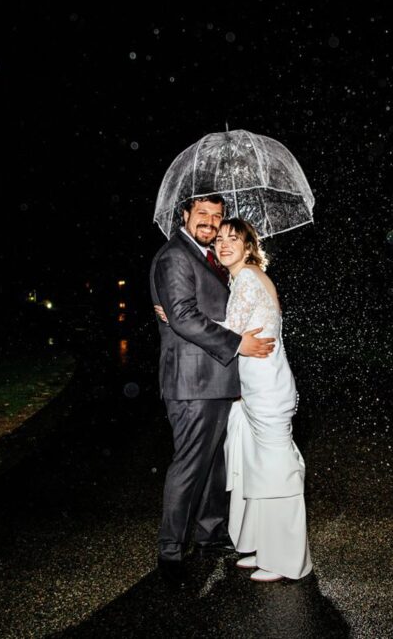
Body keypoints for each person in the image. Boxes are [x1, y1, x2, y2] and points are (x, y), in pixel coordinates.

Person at [158, 218, 312, 582]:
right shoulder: (249, 278)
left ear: (249, 247)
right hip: (257, 385)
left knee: (274, 469)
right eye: (220, 238)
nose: (225, 243)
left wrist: (174, 315)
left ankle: (287, 559)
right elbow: (234, 328)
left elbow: (230, 330)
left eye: (235, 238)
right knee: (257, 467)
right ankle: (263, 546)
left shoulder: (245, 279)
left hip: (265, 386)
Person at [149, 196, 276, 584]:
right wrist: (237, 343)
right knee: (190, 465)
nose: (211, 221)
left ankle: (210, 534)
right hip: (193, 381)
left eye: (217, 216)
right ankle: (170, 552)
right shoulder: (175, 256)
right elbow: (184, 318)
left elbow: (216, 308)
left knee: (213, 464)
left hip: (216, 379)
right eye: (202, 213)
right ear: (184, 215)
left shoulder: (209, 258)